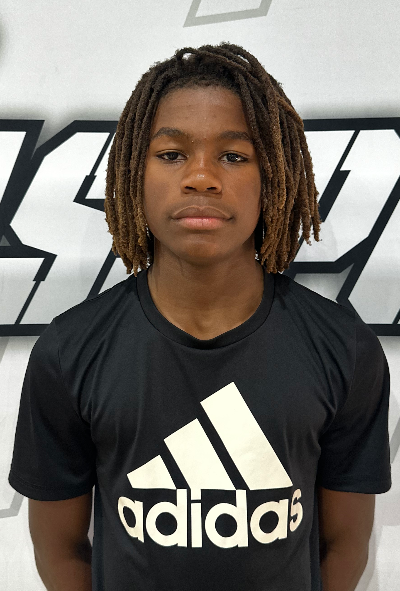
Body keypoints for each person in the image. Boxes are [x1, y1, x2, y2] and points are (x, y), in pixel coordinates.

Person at [9, 42, 391, 591]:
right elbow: (60, 549)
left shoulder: (343, 348)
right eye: (171, 155)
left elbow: (345, 544)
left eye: (233, 156)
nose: (201, 177)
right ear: (133, 174)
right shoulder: (69, 351)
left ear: (274, 176)